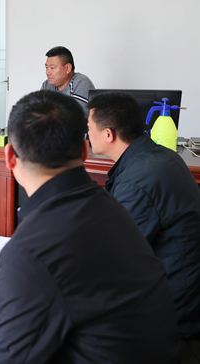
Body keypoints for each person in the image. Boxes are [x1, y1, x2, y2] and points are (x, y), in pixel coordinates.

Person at [0, 90, 180, 364]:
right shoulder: (112, 205)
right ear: (83, 150)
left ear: (9, 157)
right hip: (158, 347)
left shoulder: (28, 250)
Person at [87, 91, 200, 361]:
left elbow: (112, 258)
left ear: (108, 134)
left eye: (89, 127)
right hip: (180, 288)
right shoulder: (159, 155)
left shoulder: (139, 179)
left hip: (175, 313)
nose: (86, 133)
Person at [41, 46, 95, 112]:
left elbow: (78, 116)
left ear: (68, 68)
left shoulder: (81, 83)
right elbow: (37, 113)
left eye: (52, 68)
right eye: (46, 67)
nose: (47, 72)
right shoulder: (47, 85)